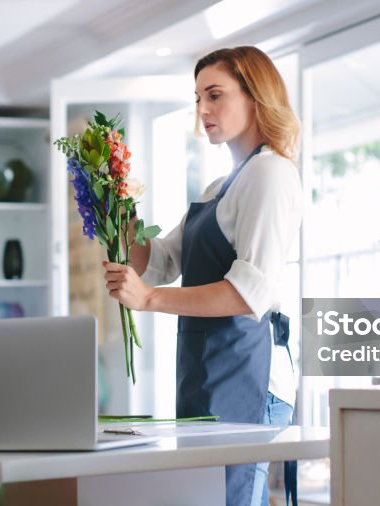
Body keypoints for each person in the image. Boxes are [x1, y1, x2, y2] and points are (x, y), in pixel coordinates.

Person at [102, 46, 302, 506]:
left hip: (247, 376)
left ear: (256, 97)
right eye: (197, 98)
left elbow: (249, 293)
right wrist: (116, 210)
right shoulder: (223, 184)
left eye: (215, 95)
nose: (202, 110)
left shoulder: (271, 175)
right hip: (208, 372)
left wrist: (149, 299)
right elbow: (161, 260)